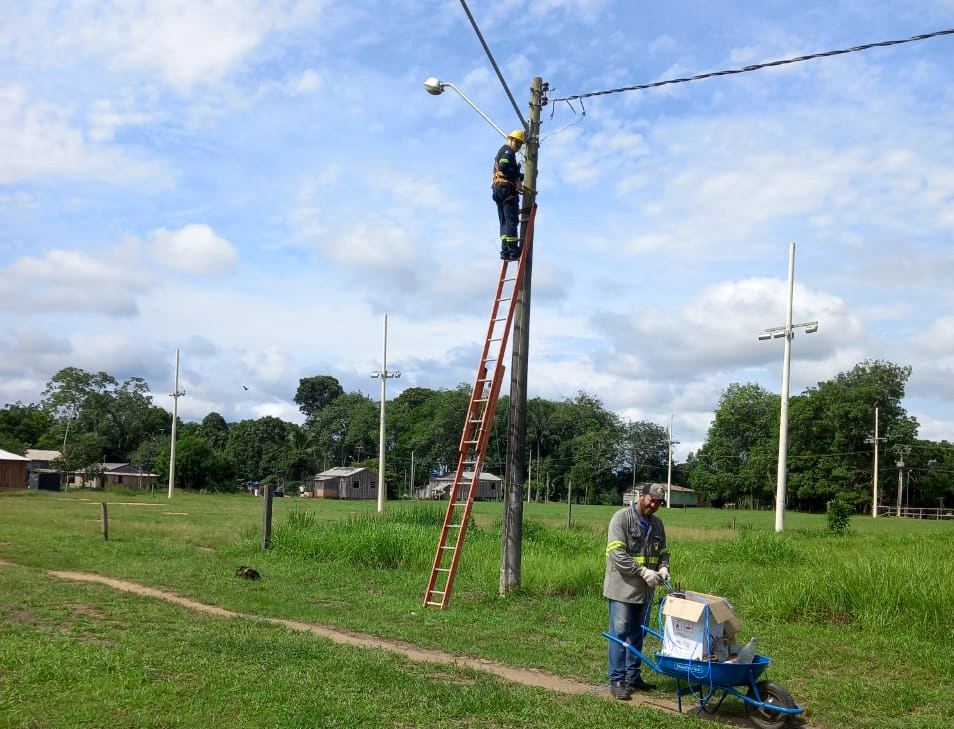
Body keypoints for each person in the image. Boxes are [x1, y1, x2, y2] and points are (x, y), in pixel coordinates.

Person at [603, 482, 670, 700]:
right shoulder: (621, 519)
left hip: (645, 591)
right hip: (622, 589)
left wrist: (663, 567)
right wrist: (642, 571)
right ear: (640, 496)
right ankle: (618, 679)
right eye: (651, 500)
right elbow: (617, 554)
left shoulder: (657, 525)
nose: (654, 505)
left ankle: (633, 676)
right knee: (620, 634)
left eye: (659, 502)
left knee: (638, 634)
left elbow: (664, 551)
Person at [492, 129, 525, 261]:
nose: (517, 146)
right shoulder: (508, 152)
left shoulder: (501, 152)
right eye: (516, 142)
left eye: (520, 144)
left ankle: (504, 251)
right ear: (509, 140)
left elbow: (505, 170)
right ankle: (513, 251)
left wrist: (519, 176)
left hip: (498, 189)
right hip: (506, 190)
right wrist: (517, 177)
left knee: (504, 222)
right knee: (511, 221)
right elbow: (505, 166)